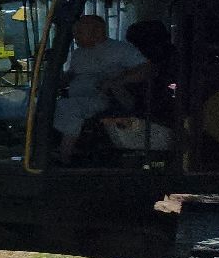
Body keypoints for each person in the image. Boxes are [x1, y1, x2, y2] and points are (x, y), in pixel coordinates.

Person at [54, 14, 153, 163]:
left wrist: (115, 82)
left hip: (104, 97)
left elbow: (146, 69)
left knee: (69, 107)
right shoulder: (78, 53)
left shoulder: (120, 49)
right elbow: (73, 73)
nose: (75, 37)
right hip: (80, 96)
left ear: (97, 31)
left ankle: (64, 155)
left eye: (79, 33)